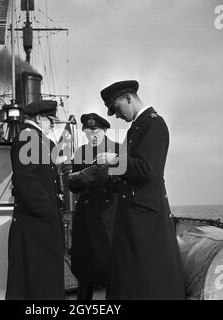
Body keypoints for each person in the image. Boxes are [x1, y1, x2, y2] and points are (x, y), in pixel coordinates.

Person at [98, 80, 186, 300]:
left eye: (117, 109)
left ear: (128, 98)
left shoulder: (154, 124)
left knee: (149, 276)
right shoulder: (136, 128)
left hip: (146, 215)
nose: (117, 116)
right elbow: (131, 172)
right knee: (132, 276)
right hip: (133, 213)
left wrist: (114, 160)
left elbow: (148, 169)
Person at [5, 100, 65, 300]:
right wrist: (47, 209)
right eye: (51, 121)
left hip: (39, 227)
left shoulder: (37, 139)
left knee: (41, 282)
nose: (52, 126)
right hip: (35, 226)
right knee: (35, 285)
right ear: (39, 118)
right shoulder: (28, 137)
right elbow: (25, 179)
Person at [68, 113, 119, 300]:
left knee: (111, 267)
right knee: (84, 267)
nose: (91, 134)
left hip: (108, 216)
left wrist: (106, 176)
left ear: (104, 130)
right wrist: (81, 178)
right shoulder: (81, 152)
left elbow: (123, 182)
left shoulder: (117, 150)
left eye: (95, 130)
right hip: (86, 216)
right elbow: (72, 185)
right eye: (88, 130)